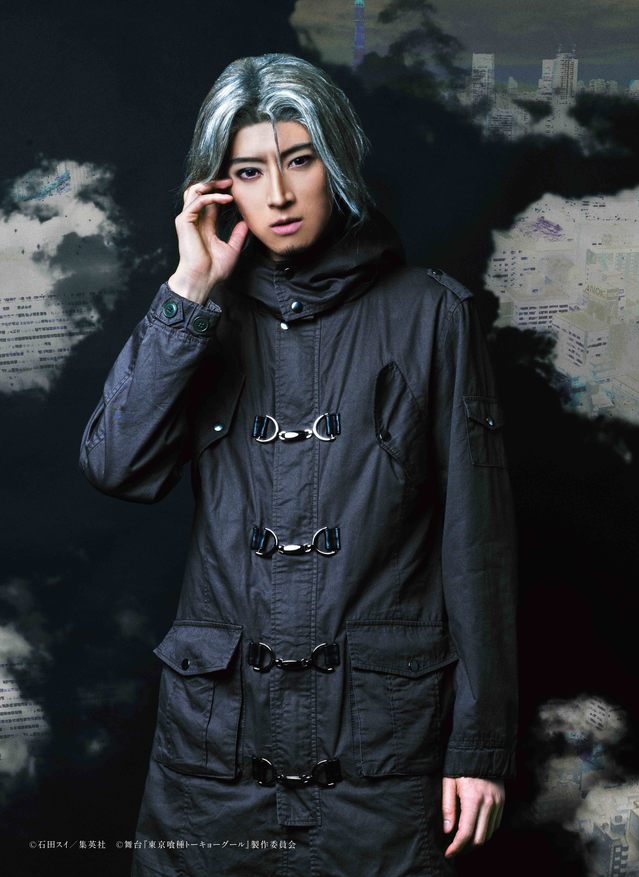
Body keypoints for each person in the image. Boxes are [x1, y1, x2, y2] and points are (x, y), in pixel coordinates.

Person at [79, 52, 518, 877]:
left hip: (379, 755)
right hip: (214, 757)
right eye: (250, 171)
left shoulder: (432, 313)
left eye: (299, 160)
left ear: (337, 163)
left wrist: (481, 743)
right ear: (220, 188)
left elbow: (478, 543)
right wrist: (187, 292)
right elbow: (116, 465)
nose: (278, 194)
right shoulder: (202, 315)